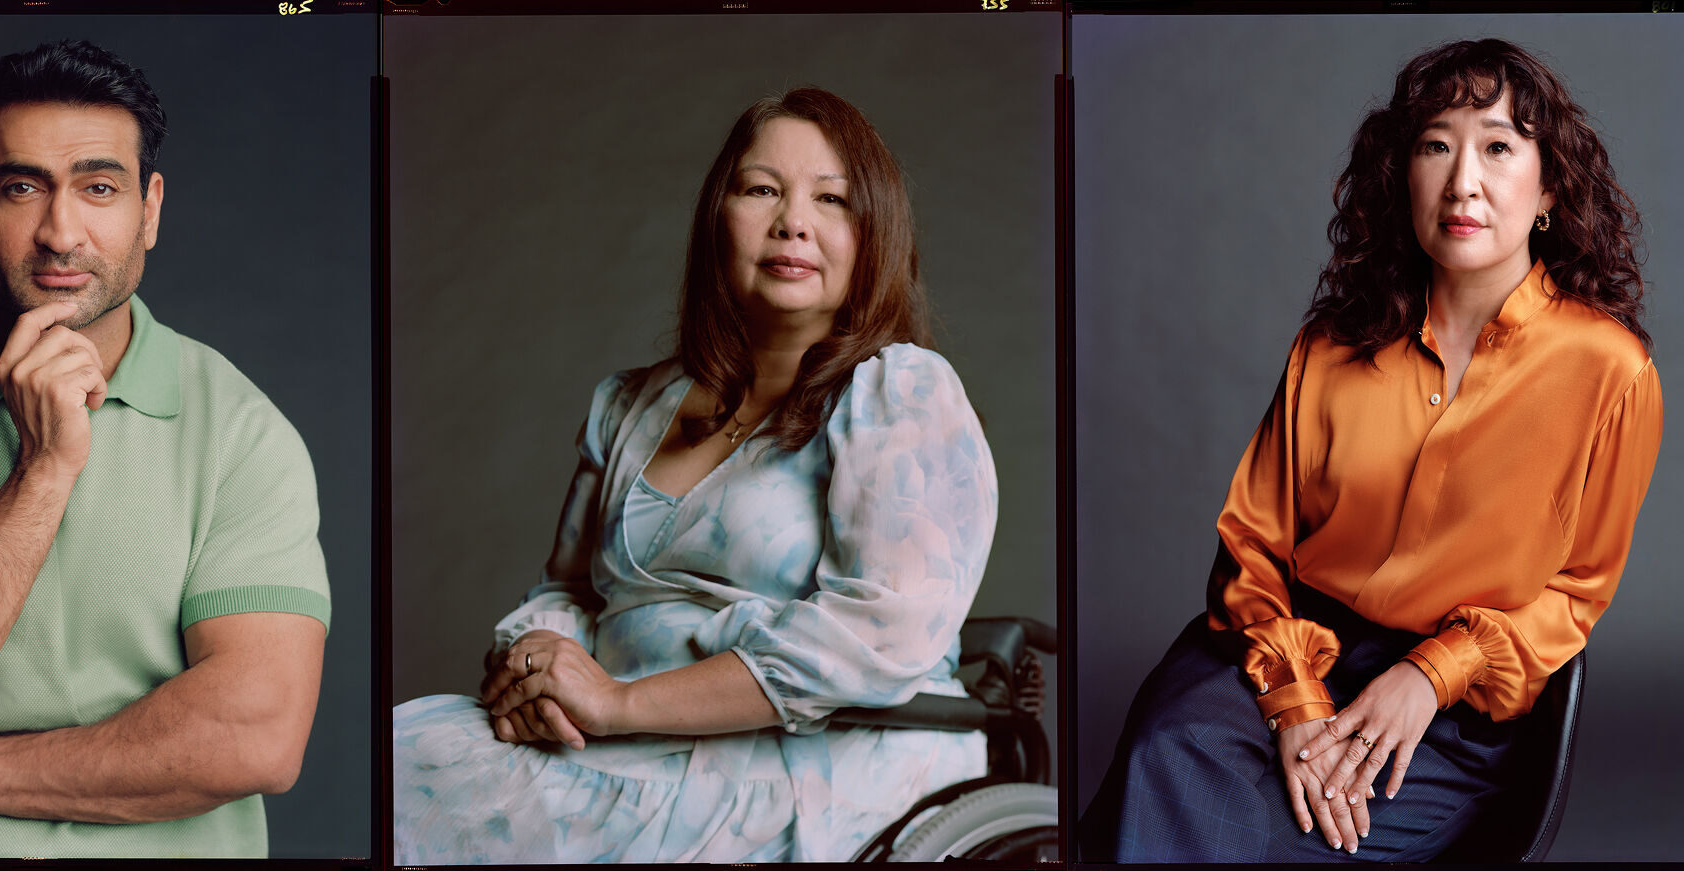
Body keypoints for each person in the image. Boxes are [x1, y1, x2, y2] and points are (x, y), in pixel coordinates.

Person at [1081, 38, 1661, 863]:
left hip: (1453, 708)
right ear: (1404, 177)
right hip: (1274, 650)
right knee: (1165, 763)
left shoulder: (1611, 371)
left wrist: (1431, 673)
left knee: (1285, 841)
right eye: (1436, 145)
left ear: (1549, 189)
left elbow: (1575, 593)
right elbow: (1251, 545)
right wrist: (1294, 698)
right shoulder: (1332, 345)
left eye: (1498, 146)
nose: (1463, 180)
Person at [392, 87, 999, 863]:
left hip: (808, 761)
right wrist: (537, 672)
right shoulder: (633, 404)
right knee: (404, 756)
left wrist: (619, 702)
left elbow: (876, 635)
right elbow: (568, 591)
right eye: (761, 189)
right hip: (620, 741)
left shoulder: (900, 393)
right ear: (720, 215)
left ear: (873, 233)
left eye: (832, 199)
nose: (792, 222)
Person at [0, 40, 330, 858]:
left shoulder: (244, 433)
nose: (60, 231)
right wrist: (43, 470)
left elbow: (255, 736)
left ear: (149, 208)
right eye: (22, 187)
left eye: (99, 187)